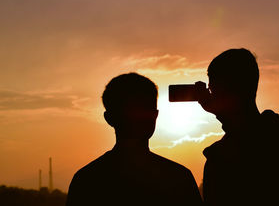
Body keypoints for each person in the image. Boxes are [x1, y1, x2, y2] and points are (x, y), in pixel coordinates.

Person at [66, 73, 203, 206]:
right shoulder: (177, 177)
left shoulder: (87, 179)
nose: (139, 117)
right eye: (132, 109)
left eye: (145, 109)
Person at [195, 48, 279, 205]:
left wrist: (219, 112)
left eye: (213, 88)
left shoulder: (219, 156)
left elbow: (245, 140)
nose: (211, 94)